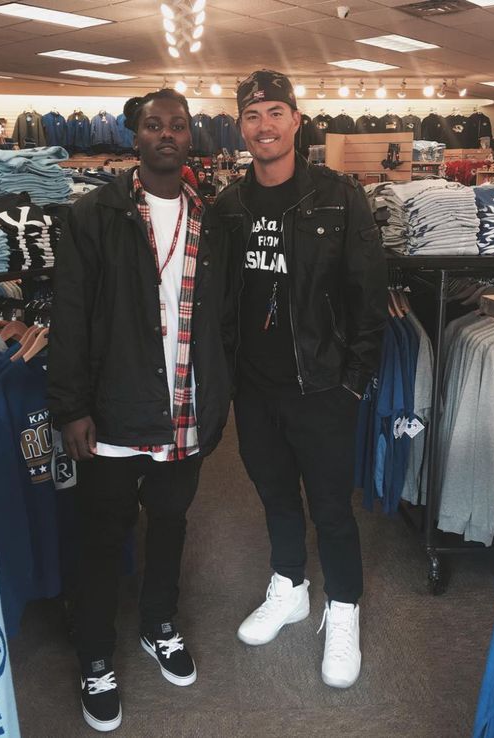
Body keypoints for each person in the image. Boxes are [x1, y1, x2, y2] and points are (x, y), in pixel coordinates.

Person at [48, 89, 230, 733]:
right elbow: (70, 316)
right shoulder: (94, 214)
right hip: (114, 407)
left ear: (191, 136)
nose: (167, 134)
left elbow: (222, 318)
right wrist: (71, 407)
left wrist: (220, 393)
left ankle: (158, 622)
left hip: (185, 405)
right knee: (103, 535)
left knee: (171, 522)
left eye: (178, 125)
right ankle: (96, 654)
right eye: (154, 125)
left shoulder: (211, 218)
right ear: (135, 136)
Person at [214, 70, 388, 689]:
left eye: (275, 112)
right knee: (275, 494)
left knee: (332, 508)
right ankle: (289, 586)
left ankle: (343, 606)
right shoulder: (228, 207)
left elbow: (369, 296)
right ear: (241, 127)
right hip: (255, 388)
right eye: (252, 115)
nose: (265, 125)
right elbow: (220, 301)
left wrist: (354, 382)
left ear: (296, 120)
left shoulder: (339, 197)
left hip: (322, 387)